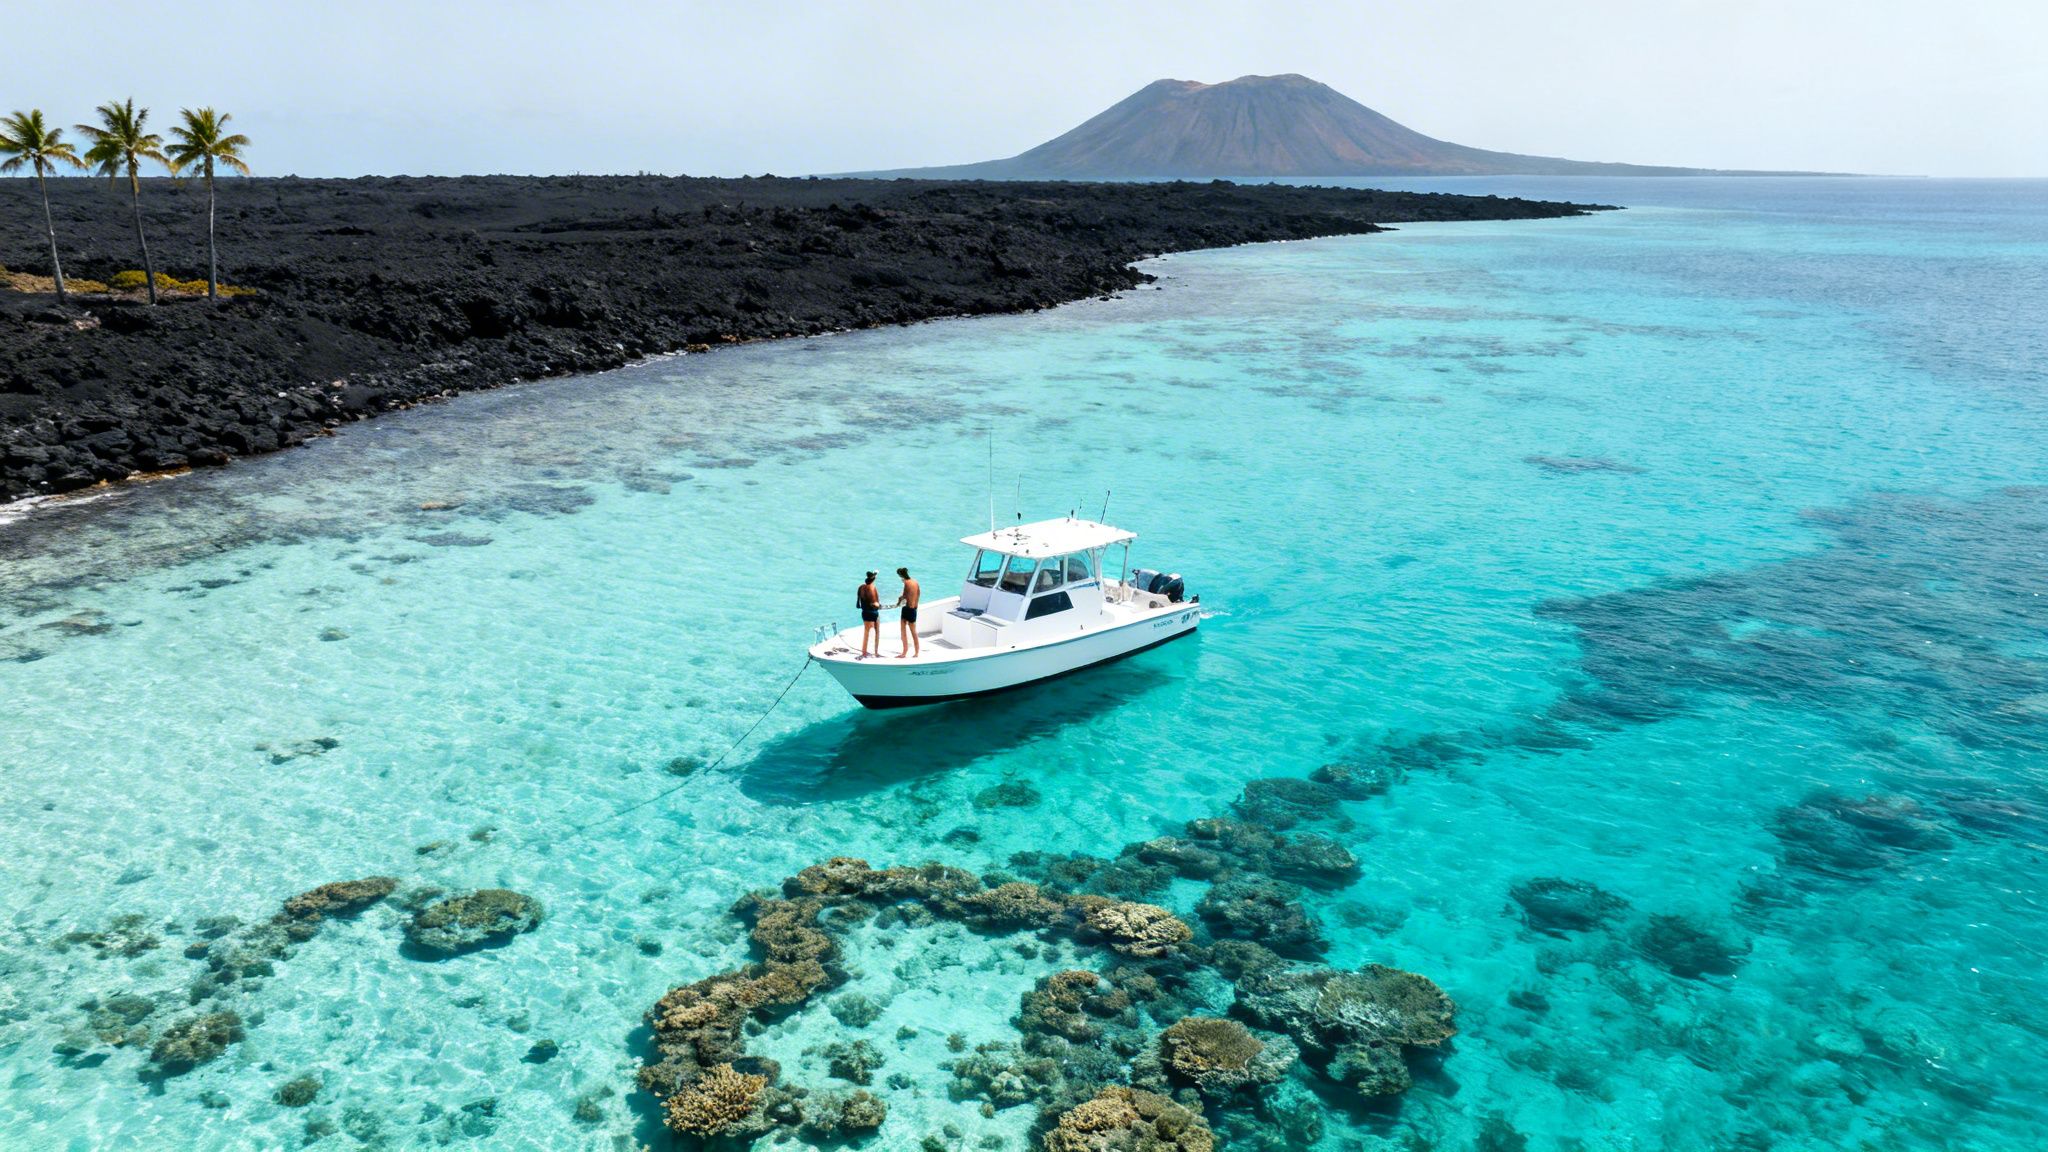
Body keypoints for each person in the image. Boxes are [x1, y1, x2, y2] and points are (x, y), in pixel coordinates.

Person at [893, 566, 922, 658]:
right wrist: (915, 606)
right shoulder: (915, 582)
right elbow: (918, 594)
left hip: (907, 609)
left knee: (903, 631)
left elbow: (904, 596)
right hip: (913, 609)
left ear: (901, 575)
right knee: (914, 632)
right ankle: (916, 652)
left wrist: (898, 601)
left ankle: (904, 653)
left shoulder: (906, 583)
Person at [856, 571, 881, 658]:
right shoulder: (872, 588)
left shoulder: (861, 587)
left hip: (865, 613)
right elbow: (874, 603)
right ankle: (875, 652)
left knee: (866, 633)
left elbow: (858, 604)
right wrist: (879, 605)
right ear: (873, 580)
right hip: (873, 613)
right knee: (877, 633)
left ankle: (864, 652)